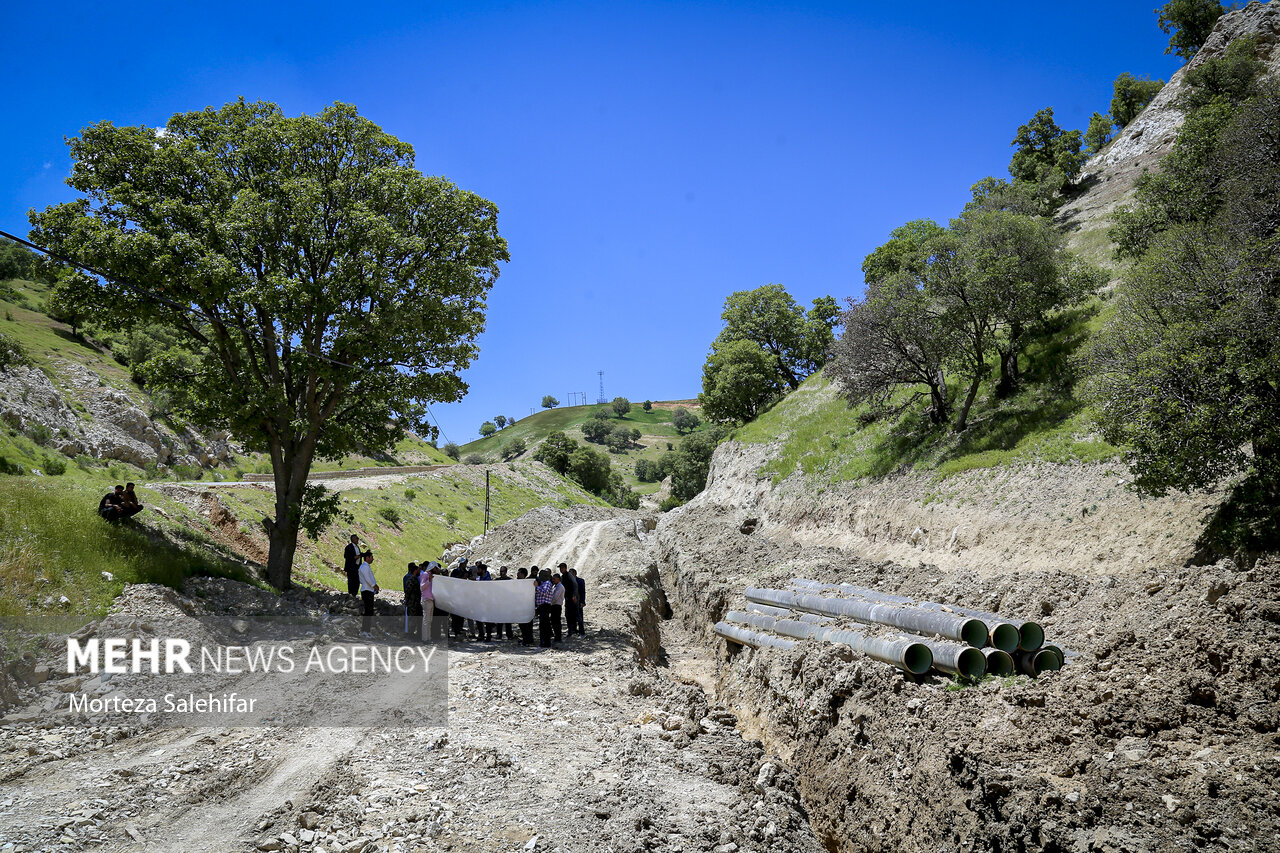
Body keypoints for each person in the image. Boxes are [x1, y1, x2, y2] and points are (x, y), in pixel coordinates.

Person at [358, 551, 379, 638]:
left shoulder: (367, 567)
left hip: (369, 590)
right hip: (366, 590)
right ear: (367, 558)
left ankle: (367, 630)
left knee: (370, 611)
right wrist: (374, 586)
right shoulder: (364, 567)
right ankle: (364, 631)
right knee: (367, 611)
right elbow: (368, 579)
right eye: (371, 557)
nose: (372, 559)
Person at [448, 560, 469, 639]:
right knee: (455, 613)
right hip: (456, 594)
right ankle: (455, 629)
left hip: (463, 595)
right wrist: (463, 577)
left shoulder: (466, 571)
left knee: (461, 613)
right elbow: (453, 581)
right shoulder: (455, 572)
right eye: (464, 564)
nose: (465, 565)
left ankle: (460, 628)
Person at [421, 562, 440, 642]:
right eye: (436, 568)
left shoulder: (432, 576)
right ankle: (425, 638)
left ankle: (428, 638)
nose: (436, 570)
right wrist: (429, 580)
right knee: (426, 620)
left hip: (431, 600)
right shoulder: (425, 574)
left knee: (429, 620)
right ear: (432, 567)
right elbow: (422, 587)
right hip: (426, 599)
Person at [535, 569, 555, 648]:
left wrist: (537, 587)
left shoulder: (547, 583)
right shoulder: (543, 583)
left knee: (545, 626)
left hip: (545, 606)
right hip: (541, 606)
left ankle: (546, 643)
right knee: (542, 626)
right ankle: (543, 643)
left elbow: (544, 592)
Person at [559, 562, 580, 637]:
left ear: (565, 568)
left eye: (562, 568)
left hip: (572, 598)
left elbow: (575, 585)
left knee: (573, 614)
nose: (561, 570)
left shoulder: (569, 575)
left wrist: (574, 595)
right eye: (560, 568)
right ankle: (570, 630)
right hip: (567, 598)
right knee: (567, 615)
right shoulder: (562, 577)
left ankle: (573, 630)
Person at [516, 568, 535, 646]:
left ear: (523, 574)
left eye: (519, 573)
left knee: (526, 625)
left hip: (526, 607)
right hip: (522, 607)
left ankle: (527, 640)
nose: (517, 575)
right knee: (523, 625)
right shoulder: (518, 584)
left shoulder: (528, 584)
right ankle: (527, 639)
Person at [403, 562, 422, 639]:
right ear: (415, 571)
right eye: (418, 570)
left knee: (418, 620)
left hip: (416, 603)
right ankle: (410, 636)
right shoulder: (411, 580)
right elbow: (408, 592)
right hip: (412, 604)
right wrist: (407, 602)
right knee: (412, 621)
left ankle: (417, 636)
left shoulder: (415, 579)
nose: (419, 572)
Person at [549, 573, 566, 645]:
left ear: (558, 579)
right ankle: (556, 636)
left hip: (556, 606)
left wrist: (550, 603)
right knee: (553, 622)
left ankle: (558, 637)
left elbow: (555, 597)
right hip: (553, 606)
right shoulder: (554, 586)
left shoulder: (560, 587)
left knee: (556, 622)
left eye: (554, 579)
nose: (553, 580)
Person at [571, 568, 587, 635]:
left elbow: (583, 592)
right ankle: (574, 631)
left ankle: (582, 632)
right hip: (571, 603)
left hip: (579, 602)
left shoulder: (580, 581)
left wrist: (582, 602)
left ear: (575, 573)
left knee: (579, 618)